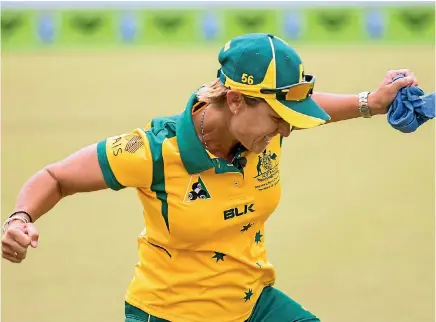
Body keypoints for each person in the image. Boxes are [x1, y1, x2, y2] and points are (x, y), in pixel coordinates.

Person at [1, 33, 419, 322]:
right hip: (168, 313)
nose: (287, 130)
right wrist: (20, 219)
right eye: (279, 118)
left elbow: (308, 105)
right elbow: (56, 177)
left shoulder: (263, 131)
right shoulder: (151, 151)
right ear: (235, 100)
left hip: (253, 304)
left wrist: (372, 102)